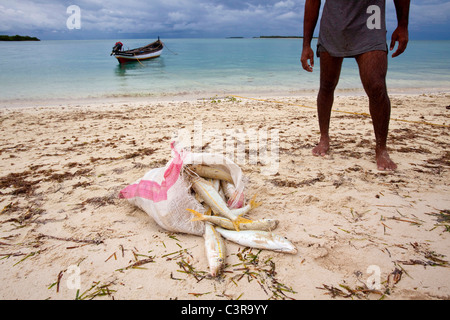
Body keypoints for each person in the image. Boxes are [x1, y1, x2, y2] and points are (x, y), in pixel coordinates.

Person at [300, 0, 410, 171]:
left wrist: (402, 25)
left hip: (370, 21)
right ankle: (324, 137)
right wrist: (306, 44)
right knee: (327, 85)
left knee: (377, 87)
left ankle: (381, 148)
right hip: (334, 23)